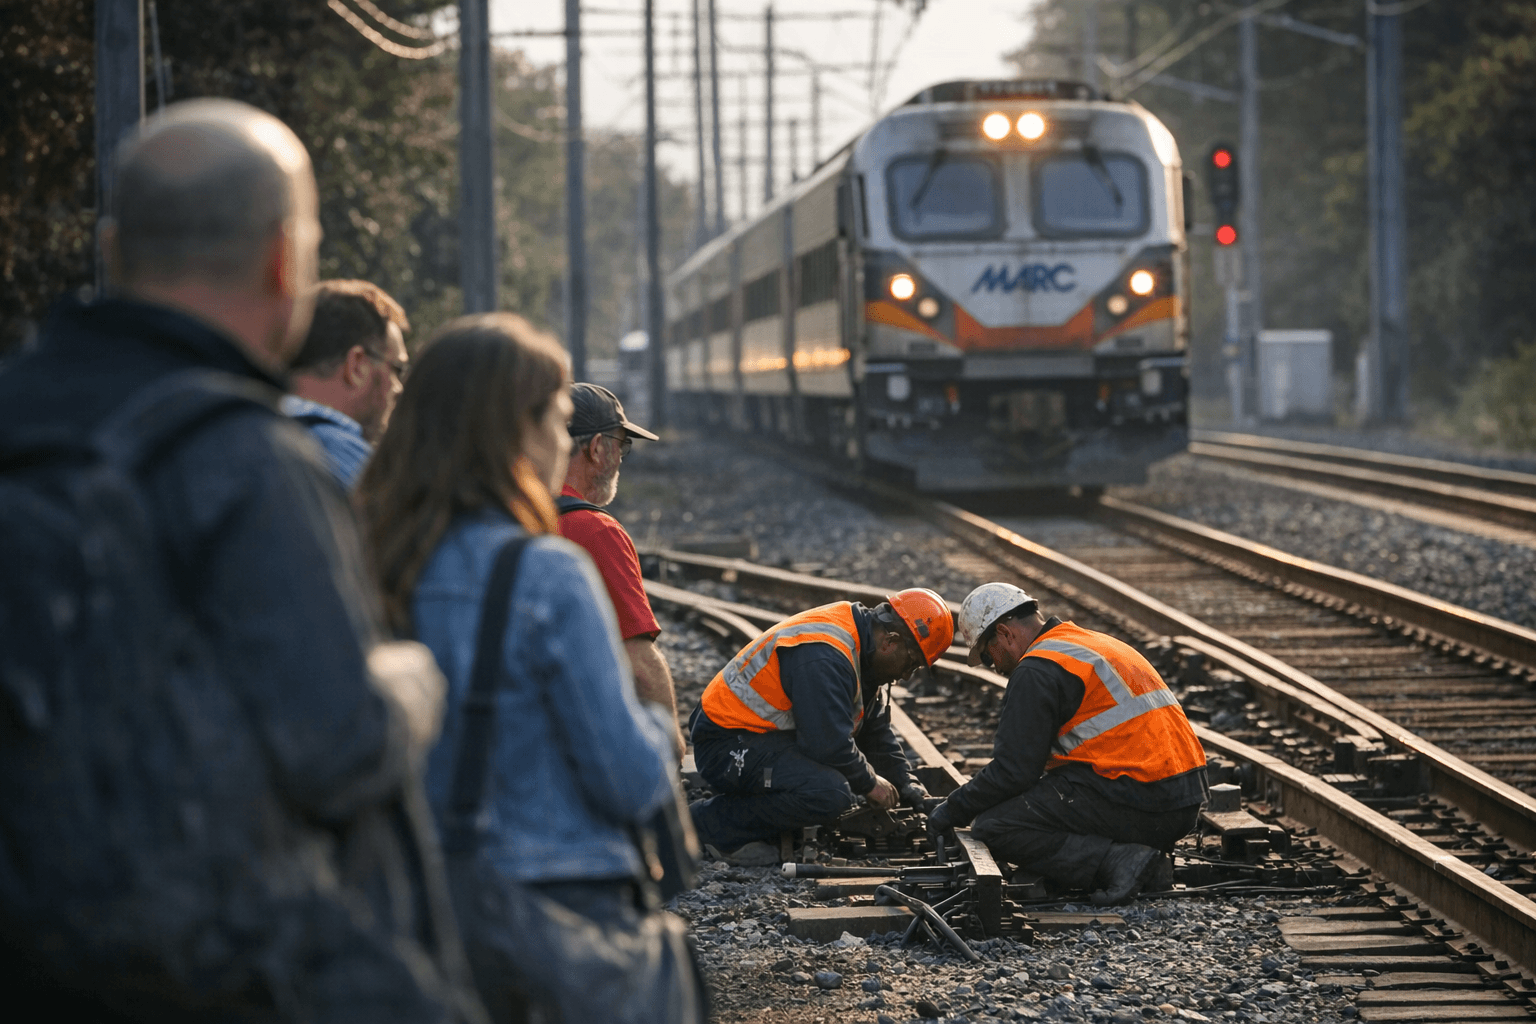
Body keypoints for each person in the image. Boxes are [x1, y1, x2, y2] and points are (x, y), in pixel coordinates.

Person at [0, 99, 472, 1020]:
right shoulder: (243, 457)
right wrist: (411, 679)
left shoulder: (15, 415)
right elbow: (341, 750)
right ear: (282, 259)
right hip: (206, 971)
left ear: (111, 251)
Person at [355, 313, 705, 1024]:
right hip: (552, 901)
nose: (561, 439)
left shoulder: (366, 554)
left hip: (408, 901)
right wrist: (650, 722)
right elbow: (629, 777)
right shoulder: (547, 572)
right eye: (552, 418)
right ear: (513, 431)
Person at [927, 582, 1209, 906]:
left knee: (996, 826)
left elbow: (1013, 772)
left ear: (1004, 633)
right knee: (1041, 798)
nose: (997, 667)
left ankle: (1119, 862)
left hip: (1144, 798)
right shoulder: (1087, 643)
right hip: (1181, 801)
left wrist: (952, 809)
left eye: (989, 657)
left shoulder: (1036, 668)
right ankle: (1141, 861)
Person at [688, 590, 954, 866]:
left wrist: (907, 785)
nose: (906, 675)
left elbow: (874, 732)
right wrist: (870, 783)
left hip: (758, 738)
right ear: (891, 641)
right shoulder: (826, 656)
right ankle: (702, 826)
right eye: (911, 663)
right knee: (829, 793)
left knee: (834, 779)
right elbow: (826, 743)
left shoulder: (863, 646)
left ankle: (756, 818)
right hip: (725, 746)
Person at [556, 382, 686, 759]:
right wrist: (672, 746)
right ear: (597, 448)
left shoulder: (510, 512)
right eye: (621, 444)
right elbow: (640, 667)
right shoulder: (596, 531)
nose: (621, 458)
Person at [282, 279, 411, 488]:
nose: (399, 388)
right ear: (357, 365)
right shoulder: (345, 458)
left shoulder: (247, 430)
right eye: (397, 369)